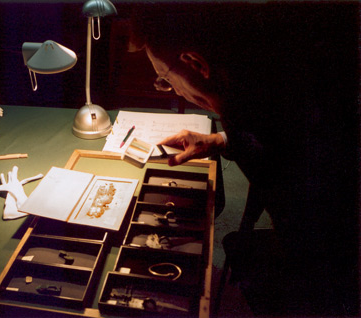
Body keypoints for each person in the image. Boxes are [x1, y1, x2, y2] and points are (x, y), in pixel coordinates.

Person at [128, 2, 359, 316]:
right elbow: (271, 139)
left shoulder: (311, 124)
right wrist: (218, 141)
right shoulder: (255, 78)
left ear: (195, 63)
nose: (173, 91)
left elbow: (293, 171)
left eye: (165, 79)